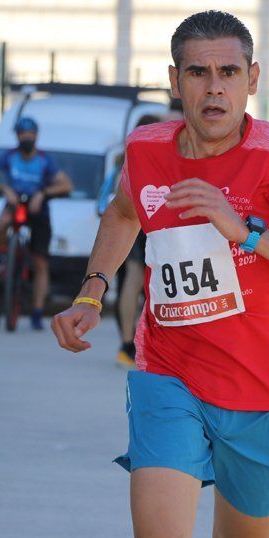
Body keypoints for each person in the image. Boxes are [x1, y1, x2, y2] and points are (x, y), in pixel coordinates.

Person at [51, 10, 269, 538]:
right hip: (170, 375)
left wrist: (244, 232)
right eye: (197, 73)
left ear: (253, 79)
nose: (214, 89)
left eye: (229, 73)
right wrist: (91, 291)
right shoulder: (147, 150)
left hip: (264, 388)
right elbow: (124, 213)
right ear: (175, 81)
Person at [0, 117, 73, 330]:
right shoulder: (9, 157)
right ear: (17, 136)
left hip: (37, 208)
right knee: (3, 222)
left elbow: (66, 184)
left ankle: (37, 312)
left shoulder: (44, 160)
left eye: (30, 134)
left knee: (41, 263)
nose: (27, 138)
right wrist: (4, 189)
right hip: (15, 204)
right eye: (23, 134)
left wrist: (43, 193)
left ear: (36, 136)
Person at [102, 115, 160, 369]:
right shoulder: (152, 153)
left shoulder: (124, 158)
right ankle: (133, 343)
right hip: (148, 221)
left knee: (132, 282)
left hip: (130, 222)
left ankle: (127, 342)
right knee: (143, 282)